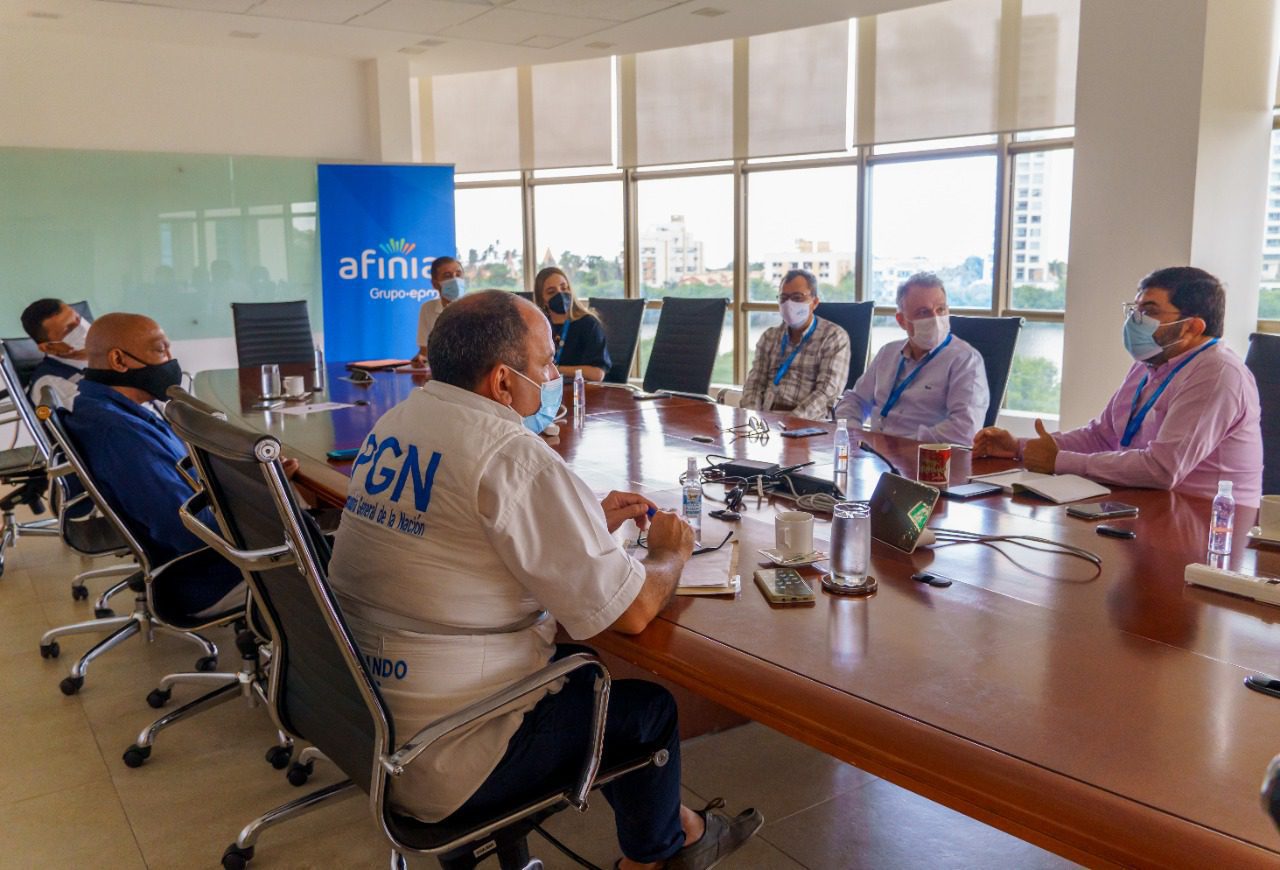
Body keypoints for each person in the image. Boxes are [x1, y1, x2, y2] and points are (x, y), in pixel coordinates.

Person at [328, 291, 762, 870]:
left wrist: (580, 522)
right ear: (503, 382)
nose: (555, 376)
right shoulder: (510, 453)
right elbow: (632, 611)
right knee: (647, 712)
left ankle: (680, 827)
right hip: (448, 751)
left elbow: (454, 535)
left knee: (583, 670)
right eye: (547, 363)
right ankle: (657, 856)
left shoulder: (400, 422)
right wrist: (669, 553)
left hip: (365, 719)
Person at [974, 266, 1264, 507]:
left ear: (1192, 327)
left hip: (1208, 523)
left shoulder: (1217, 373)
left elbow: (1162, 469)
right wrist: (1020, 447)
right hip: (1143, 505)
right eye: (1135, 309)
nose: (1135, 321)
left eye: (1149, 311)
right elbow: (1101, 436)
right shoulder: (1148, 363)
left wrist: (1059, 461)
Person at [63, 313, 246, 615]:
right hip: (209, 575)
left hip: (206, 558)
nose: (171, 360)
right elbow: (189, 531)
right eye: (161, 350)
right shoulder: (120, 433)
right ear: (119, 360)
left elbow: (184, 478)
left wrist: (248, 480)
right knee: (323, 559)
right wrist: (261, 508)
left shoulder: (111, 410)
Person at [835, 272, 988, 444]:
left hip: (927, 456)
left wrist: (904, 444)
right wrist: (855, 437)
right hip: (874, 452)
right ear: (901, 320)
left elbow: (965, 429)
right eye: (923, 312)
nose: (935, 319)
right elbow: (855, 400)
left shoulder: (966, 360)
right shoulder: (887, 353)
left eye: (940, 309)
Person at [740, 269, 851, 421]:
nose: (789, 304)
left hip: (807, 423)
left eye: (797, 297)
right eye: (783, 298)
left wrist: (791, 422)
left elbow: (826, 393)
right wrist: (753, 419)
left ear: (814, 302)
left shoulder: (833, 337)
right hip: (765, 418)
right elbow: (754, 384)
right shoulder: (769, 337)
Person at [533, 266, 612, 382]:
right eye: (551, 292)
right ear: (542, 299)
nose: (560, 294)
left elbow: (597, 374)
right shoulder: (539, 327)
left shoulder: (588, 323)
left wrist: (556, 369)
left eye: (564, 288)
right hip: (546, 389)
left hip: (581, 389)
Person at [20, 298, 91, 409]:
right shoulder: (50, 384)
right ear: (48, 348)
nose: (82, 328)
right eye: (69, 329)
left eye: (78, 319)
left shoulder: (108, 353)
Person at [409, 256, 466, 367]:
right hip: (440, 372)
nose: (455, 280)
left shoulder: (478, 308)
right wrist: (421, 360)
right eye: (447, 276)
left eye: (458, 274)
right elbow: (425, 352)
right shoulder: (428, 308)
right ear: (435, 284)